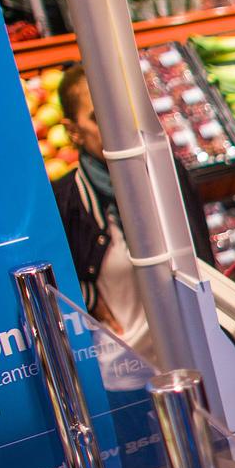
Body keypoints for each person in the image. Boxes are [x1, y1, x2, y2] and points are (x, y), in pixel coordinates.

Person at [52, 65, 215, 360]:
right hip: (123, 375)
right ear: (72, 131)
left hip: (196, 356)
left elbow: (203, 264)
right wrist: (87, 301)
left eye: (120, 110)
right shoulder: (65, 202)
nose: (115, 125)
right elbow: (58, 296)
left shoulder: (167, 173)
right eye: (98, 117)